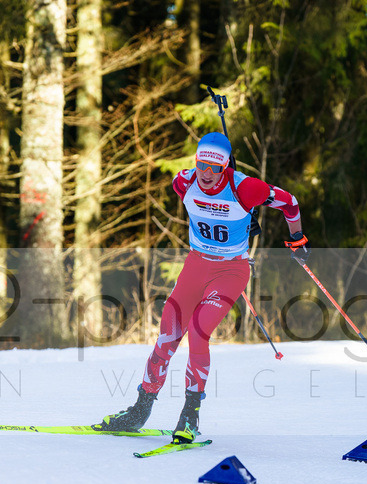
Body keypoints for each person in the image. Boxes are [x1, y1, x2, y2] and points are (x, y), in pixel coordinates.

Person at [96, 132, 305, 442]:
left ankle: (190, 415)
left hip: (230, 271)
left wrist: (297, 238)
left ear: (224, 167)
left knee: (198, 331)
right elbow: (190, 190)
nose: (205, 174)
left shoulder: (245, 187)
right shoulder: (184, 181)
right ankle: (140, 410)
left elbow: (290, 202)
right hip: (195, 267)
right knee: (168, 334)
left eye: (214, 167)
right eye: (201, 165)